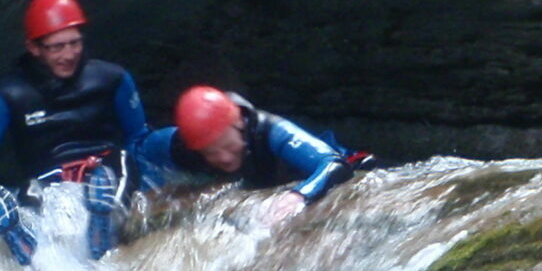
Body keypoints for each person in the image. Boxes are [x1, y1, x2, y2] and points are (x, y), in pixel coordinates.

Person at [0, 0, 149, 265]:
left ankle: (103, 217)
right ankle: (20, 235)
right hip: (49, 182)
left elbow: (139, 140)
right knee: (27, 194)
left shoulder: (112, 79)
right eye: (57, 47)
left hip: (104, 170)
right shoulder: (8, 94)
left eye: (74, 43)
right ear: (34, 48)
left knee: (122, 163)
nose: (69, 54)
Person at [136, 85, 373, 228]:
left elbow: (333, 163)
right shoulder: (186, 144)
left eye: (228, 146)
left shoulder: (271, 131)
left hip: (357, 165)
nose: (225, 158)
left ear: (239, 122)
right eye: (211, 153)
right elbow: (141, 148)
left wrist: (298, 196)